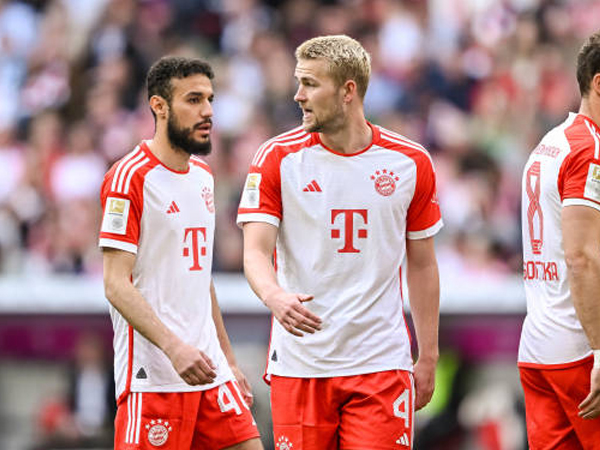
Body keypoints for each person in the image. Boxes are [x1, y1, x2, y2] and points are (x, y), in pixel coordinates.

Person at [237, 35, 442, 449]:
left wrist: (430, 354)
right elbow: (255, 251)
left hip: (380, 364)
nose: (298, 95)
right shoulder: (277, 158)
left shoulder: (409, 162)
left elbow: (422, 263)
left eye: (311, 84)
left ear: (348, 90)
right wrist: (274, 295)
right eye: (299, 83)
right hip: (301, 364)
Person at [100, 56, 262, 450]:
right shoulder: (130, 178)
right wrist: (174, 348)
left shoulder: (203, 176)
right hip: (154, 378)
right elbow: (115, 284)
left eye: (210, 99)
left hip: (211, 373)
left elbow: (198, 279)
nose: (207, 111)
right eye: (193, 100)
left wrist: (229, 361)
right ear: (159, 106)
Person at [519, 31, 600, 449]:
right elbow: (581, 257)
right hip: (580, 352)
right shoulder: (589, 149)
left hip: (538, 345)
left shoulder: (551, 143)